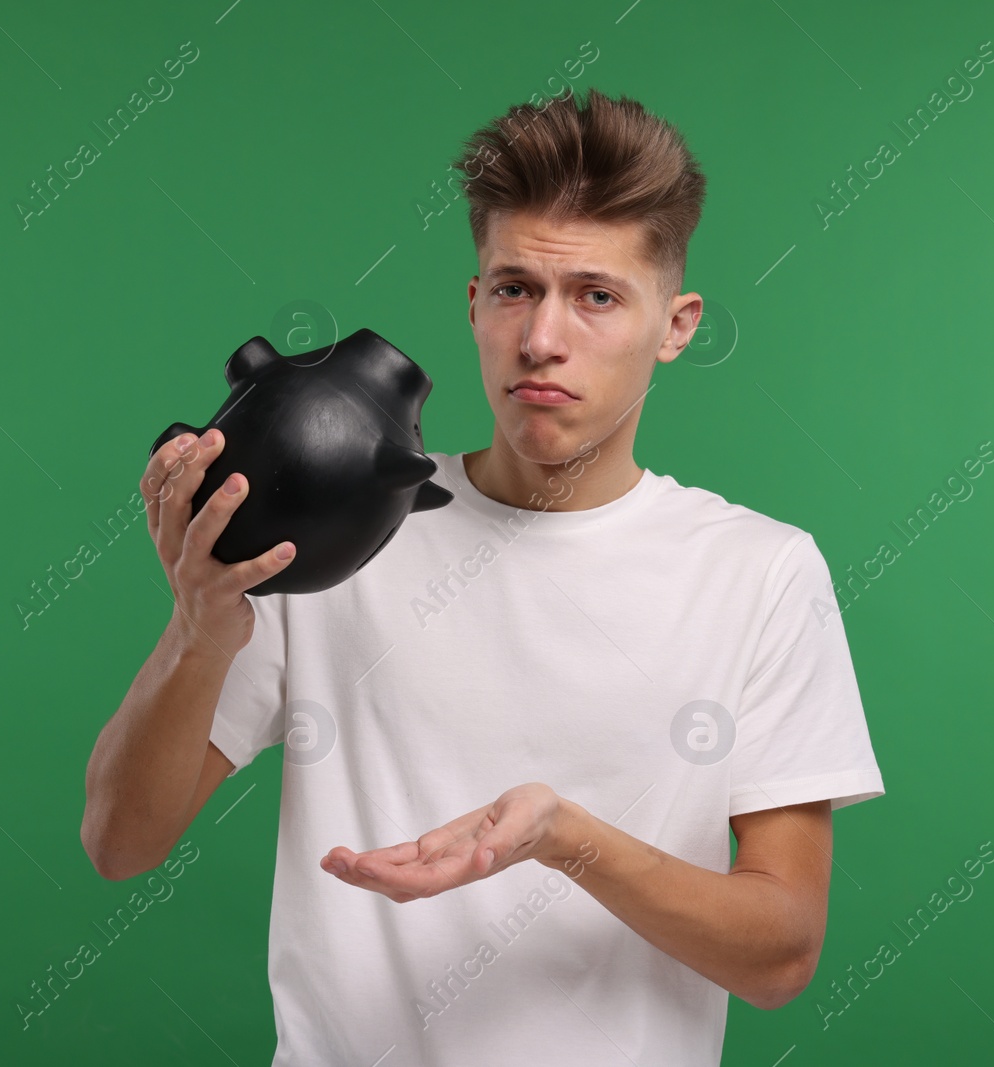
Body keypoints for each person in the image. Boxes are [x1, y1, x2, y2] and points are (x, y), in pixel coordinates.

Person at [82, 86, 884, 1066]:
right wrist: (199, 625)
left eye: (596, 296)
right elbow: (120, 841)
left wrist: (561, 835)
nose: (542, 338)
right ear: (473, 303)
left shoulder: (759, 570)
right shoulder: (333, 543)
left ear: (674, 324)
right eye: (514, 288)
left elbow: (780, 954)